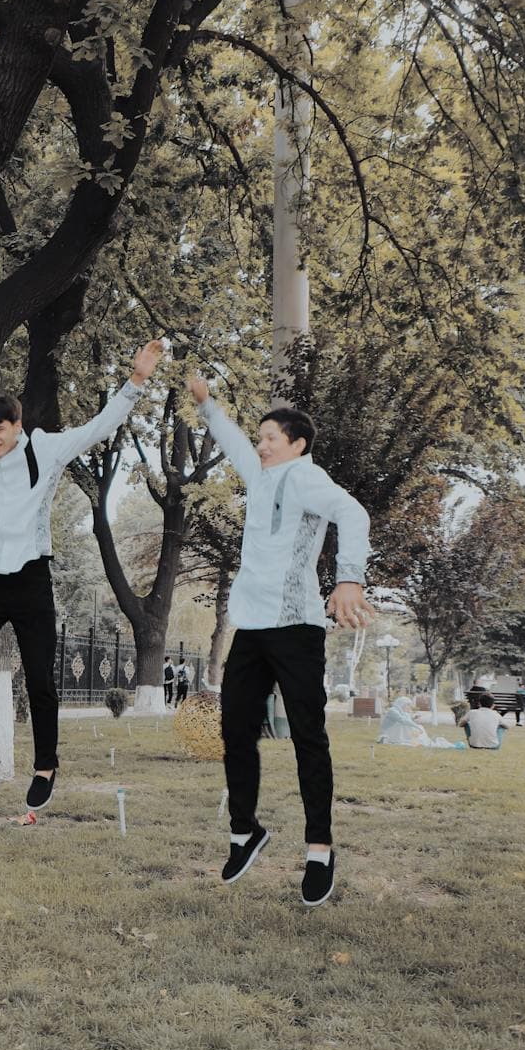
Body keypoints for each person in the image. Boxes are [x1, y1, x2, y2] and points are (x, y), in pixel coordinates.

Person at [0, 336, 165, 810]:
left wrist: (137, 379)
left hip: (32, 579)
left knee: (39, 679)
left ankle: (45, 766)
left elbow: (101, 426)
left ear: (17, 426)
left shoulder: (47, 450)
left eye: (0, 431)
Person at [188, 371, 373, 907]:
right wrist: (206, 405)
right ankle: (245, 832)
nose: (262, 444)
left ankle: (319, 850)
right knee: (236, 729)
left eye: (271, 437)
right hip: (252, 626)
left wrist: (348, 578)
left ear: (296, 446)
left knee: (309, 737)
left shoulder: (306, 479)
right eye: (261, 437)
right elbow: (234, 443)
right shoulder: (262, 474)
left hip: (296, 627)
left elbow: (353, 513)